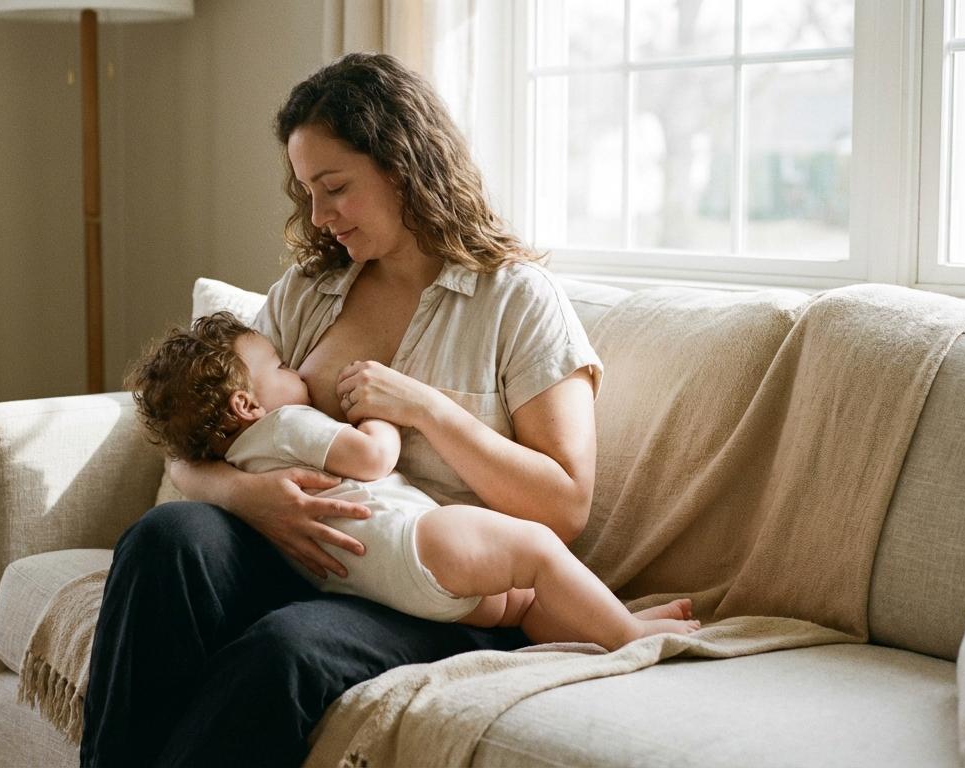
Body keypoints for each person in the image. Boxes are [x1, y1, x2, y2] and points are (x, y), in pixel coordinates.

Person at [83, 52, 611, 767]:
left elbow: (565, 505)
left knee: (284, 650)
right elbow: (194, 442)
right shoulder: (309, 293)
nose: (321, 217)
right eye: (308, 193)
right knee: (164, 538)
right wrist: (252, 495)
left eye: (335, 188)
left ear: (402, 165)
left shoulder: (516, 301)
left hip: (438, 591)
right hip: (303, 559)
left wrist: (427, 410)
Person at [129, 312, 700, 645]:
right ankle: (628, 635)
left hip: (371, 582)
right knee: (534, 551)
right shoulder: (288, 424)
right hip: (415, 543)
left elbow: (184, 459)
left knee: (523, 601)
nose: (294, 369)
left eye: (334, 186)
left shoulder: (237, 452)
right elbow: (373, 459)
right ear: (247, 405)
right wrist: (383, 411)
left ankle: (613, 625)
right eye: (280, 367)